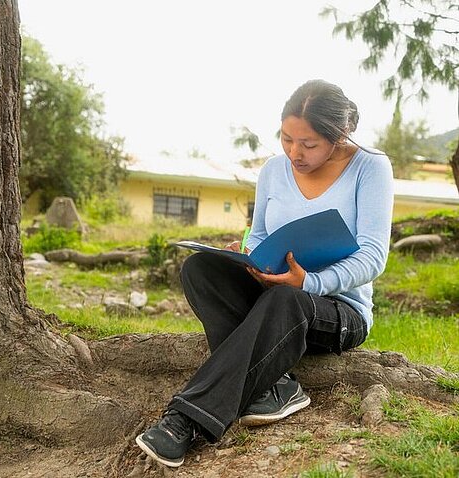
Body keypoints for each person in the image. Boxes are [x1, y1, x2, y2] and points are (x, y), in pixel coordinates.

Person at [135, 79, 394, 468]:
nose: (295, 153)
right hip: (275, 294)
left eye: (308, 145)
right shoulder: (274, 170)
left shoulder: (370, 167)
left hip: (337, 311)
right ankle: (278, 386)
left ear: (338, 136)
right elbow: (258, 235)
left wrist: (310, 282)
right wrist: (248, 259)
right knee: (201, 269)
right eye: (287, 139)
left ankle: (185, 420)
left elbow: (373, 255)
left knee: (287, 297)